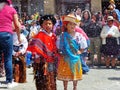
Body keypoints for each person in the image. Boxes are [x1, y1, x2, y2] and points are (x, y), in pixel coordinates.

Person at [27, 15, 58, 90]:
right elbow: (34, 48)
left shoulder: (54, 36)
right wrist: (36, 57)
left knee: (52, 79)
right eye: (45, 24)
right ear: (42, 25)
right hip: (42, 62)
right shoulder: (39, 35)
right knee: (43, 80)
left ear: (53, 25)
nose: (48, 25)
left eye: (50, 24)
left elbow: (56, 48)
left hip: (52, 61)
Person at [57, 14, 84, 90]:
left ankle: (75, 87)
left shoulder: (78, 35)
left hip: (75, 58)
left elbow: (83, 45)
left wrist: (80, 51)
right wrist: (61, 52)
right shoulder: (63, 36)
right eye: (70, 24)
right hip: (65, 57)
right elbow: (59, 46)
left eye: (74, 24)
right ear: (66, 25)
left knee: (74, 74)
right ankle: (65, 88)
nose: (72, 26)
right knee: (65, 75)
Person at [0, 0, 21, 88]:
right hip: (7, 34)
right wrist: (19, 37)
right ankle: (9, 81)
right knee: (8, 58)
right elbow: (17, 25)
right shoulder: (11, 9)